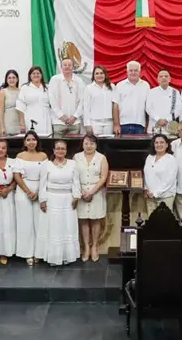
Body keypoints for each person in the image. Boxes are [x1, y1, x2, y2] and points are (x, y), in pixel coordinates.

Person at [36, 140, 81, 266]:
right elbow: (42, 184)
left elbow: (76, 182)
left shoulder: (73, 164)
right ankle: (53, 257)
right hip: (52, 199)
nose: (60, 151)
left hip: (67, 199)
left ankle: (67, 255)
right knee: (53, 228)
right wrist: (43, 199)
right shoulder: (46, 165)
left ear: (66, 151)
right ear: (53, 150)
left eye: (63, 149)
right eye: (58, 148)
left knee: (67, 227)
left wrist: (76, 197)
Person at [13, 131, 48, 265]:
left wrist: (38, 192)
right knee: (25, 223)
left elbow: (45, 176)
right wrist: (28, 191)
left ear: (37, 141)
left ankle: (39, 252)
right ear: (24, 142)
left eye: (34, 139)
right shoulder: (20, 156)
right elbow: (17, 176)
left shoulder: (43, 156)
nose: (31, 142)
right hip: (23, 190)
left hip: (40, 189)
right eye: (28, 140)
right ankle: (27, 253)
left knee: (39, 223)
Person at [74, 134, 109, 262]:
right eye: (86, 143)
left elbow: (103, 177)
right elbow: (74, 177)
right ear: (82, 144)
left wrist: (92, 192)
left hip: (97, 192)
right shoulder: (76, 157)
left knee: (95, 220)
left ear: (96, 145)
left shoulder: (102, 158)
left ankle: (94, 246)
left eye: (92, 143)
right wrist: (83, 192)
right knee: (83, 220)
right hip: (81, 191)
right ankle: (86, 248)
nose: (89, 146)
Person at [144, 134, 179, 217]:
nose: (159, 145)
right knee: (151, 224)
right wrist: (146, 190)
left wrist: (156, 193)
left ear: (167, 145)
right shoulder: (150, 157)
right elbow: (146, 176)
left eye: (162, 142)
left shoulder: (171, 159)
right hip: (150, 197)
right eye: (156, 142)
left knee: (164, 224)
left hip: (165, 198)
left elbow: (169, 181)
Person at [48, 58, 85, 137]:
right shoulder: (54, 80)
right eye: (65, 65)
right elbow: (52, 100)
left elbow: (83, 101)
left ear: (73, 67)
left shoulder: (79, 81)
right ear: (61, 67)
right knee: (59, 147)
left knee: (74, 148)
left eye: (69, 65)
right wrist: (61, 116)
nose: (67, 67)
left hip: (75, 122)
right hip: (58, 122)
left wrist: (75, 116)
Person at [114, 61, 151, 135]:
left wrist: (147, 124)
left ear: (140, 72)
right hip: (123, 124)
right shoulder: (120, 85)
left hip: (140, 124)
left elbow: (148, 106)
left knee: (139, 146)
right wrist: (116, 124)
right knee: (123, 146)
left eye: (136, 70)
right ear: (127, 72)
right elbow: (115, 106)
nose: (133, 72)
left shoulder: (146, 85)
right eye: (131, 70)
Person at [17, 66, 52, 135]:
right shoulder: (24, 88)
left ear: (41, 75)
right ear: (30, 76)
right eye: (33, 73)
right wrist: (22, 123)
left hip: (46, 119)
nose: (36, 75)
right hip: (30, 118)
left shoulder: (48, 87)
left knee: (46, 140)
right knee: (32, 139)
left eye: (38, 73)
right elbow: (20, 106)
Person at [82, 65, 115, 136]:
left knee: (108, 145)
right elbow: (86, 108)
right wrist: (88, 125)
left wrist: (116, 123)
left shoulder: (112, 87)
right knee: (96, 144)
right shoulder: (89, 88)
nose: (99, 75)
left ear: (105, 74)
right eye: (97, 73)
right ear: (93, 75)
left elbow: (115, 105)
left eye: (101, 73)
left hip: (109, 123)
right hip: (95, 123)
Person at [146, 69, 181, 134]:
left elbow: (178, 109)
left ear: (170, 79)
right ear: (157, 79)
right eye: (161, 76)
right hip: (154, 126)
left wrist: (167, 120)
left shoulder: (175, 92)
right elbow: (148, 108)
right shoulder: (151, 92)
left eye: (166, 76)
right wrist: (158, 119)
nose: (163, 78)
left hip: (170, 127)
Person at [0, 69, 22, 135]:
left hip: (20, 122)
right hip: (8, 123)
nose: (12, 80)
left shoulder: (21, 91)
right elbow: (0, 110)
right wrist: (2, 127)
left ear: (17, 79)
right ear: (6, 79)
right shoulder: (3, 92)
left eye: (14, 77)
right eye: (9, 78)